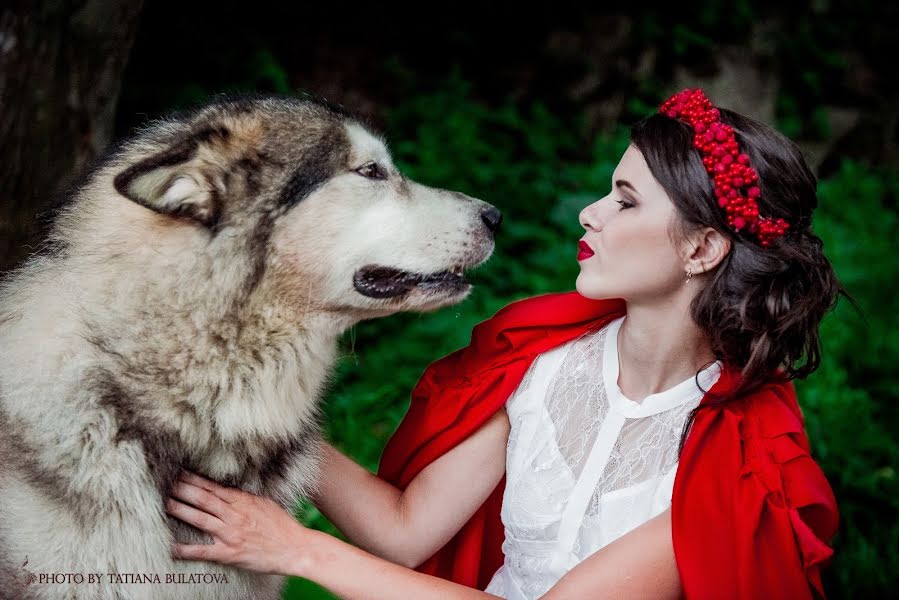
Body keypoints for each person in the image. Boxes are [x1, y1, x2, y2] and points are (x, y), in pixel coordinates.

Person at [166, 88, 841, 599]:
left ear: (700, 247)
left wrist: (298, 549)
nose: (590, 213)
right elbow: (404, 534)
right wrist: (259, 411)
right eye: (607, 192)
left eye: (626, 201)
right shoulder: (541, 363)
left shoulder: (739, 461)